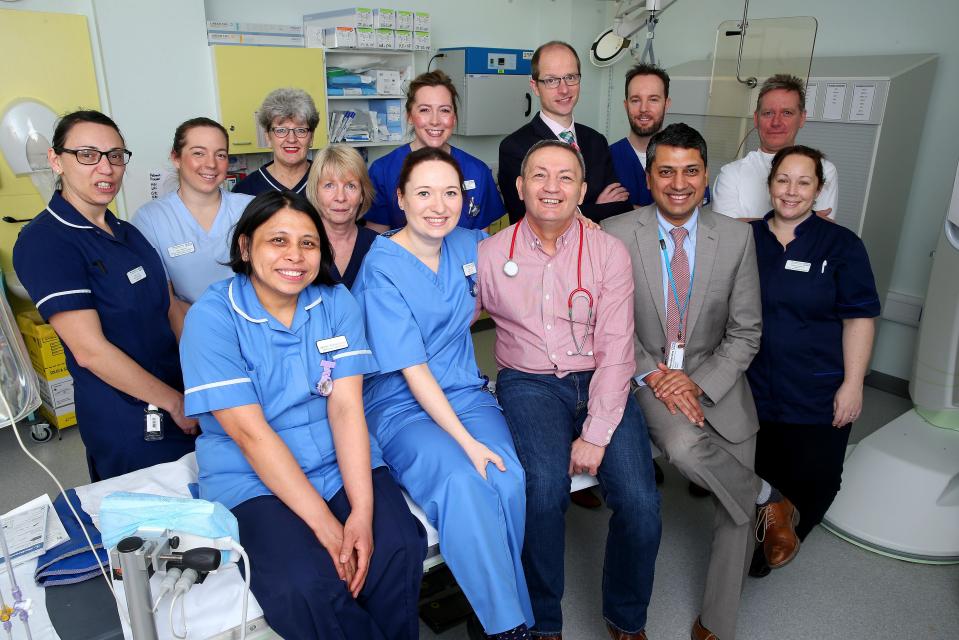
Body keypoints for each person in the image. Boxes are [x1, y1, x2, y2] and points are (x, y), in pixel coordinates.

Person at [178, 191, 426, 640]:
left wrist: (362, 515)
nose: (295, 256)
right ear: (245, 247)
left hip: (337, 457)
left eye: (308, 243)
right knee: (304, 584)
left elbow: (348, 407)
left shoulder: (335, 304)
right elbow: (251, 436)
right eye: (278, 240)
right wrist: (329, 527)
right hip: (251, 474)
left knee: (397, 546)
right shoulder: (212, 318)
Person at [602, 123, 800, 640]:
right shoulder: (617, 234)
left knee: (731, 508)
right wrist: (657, 375)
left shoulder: (735, 238)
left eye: (690, 171)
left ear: (705, 176)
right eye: (665, 171)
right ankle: (768, 496)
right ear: (649, 178)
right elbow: (612, 327)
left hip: (720, 377)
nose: (678, 183)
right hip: (649, 380)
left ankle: (717, 623)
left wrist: (699, 383)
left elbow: (746, 331)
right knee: (687, 449)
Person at [479, 140, 661, 640]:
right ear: (519, 187)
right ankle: (543, 623)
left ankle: (626, 617)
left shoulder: (608, 252)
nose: (551, 187)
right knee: (542, 491)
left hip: (602, 375)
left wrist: (597, 433)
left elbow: (618, 348)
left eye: (564, 177)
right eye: (539, 176)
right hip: (529, 383)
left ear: (583, 190)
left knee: (641, 501)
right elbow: (453, 322)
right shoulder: (491, 254)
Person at [353, 147, 533, 640]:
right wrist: (467, 443)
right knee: (463, 479)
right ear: (402, 200)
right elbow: (412, 371)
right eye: (425, 193)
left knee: (510, 478)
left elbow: (534, 239)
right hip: (400, 405)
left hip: (464, 391)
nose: (439, 205)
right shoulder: (382, 268)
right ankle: (507, 625)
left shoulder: (472, 245)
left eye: (450, 192)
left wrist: (583, 222)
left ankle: (486, 607)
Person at [13, 110, 196, 481]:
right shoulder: (46, 242)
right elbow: (89, 351)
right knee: (155, 526)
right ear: (56, 160)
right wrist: (173, 401)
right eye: (87, 154)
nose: (106, 168)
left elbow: (171, 307)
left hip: (181, 397)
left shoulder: (127, 232)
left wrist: (202, 378)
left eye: (115, 155)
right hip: (128, 418)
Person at [746, 145, 879, 576]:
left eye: (804, 182)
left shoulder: (842, 245)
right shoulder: (746, 239)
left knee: (818, 479)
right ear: (769, 185)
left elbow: (859, 319)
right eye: (783, 179)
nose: (791, 191)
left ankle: (791, 533)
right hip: (755, 384)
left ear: (818, 190)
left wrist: (853, 384)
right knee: (762, 472)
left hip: (819, 386)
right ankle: (764, 536)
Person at [131, 117, 254, 335]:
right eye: (198, 153)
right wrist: (194, 354)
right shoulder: (150, 219)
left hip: (255, 328)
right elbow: (168, 302)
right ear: (176, 158)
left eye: (220, 154)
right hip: (192, 330)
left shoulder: (250, 208)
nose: (211, 164)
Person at [499, 41, 633, 224]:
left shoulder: (596, 141)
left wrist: (567, 210)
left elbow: (620, 206)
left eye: (570, 77)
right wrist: (588, 209)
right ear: (535, 86)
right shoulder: (515, 147)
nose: (564, 89)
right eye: (552, 80)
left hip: (596, 249)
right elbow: (528, 219)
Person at [364, 70, 503, 233]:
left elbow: (481, 242)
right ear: (410, 116)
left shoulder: (477, 171)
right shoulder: (383, 171)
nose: (435, 121)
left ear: (454, 117)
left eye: (444, 110)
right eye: (424, 110)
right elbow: (379, 240)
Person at [712, 74, 839, 221]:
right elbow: (726, 231)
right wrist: (801, 220)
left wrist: (748, 223)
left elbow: (820, 235)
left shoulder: (823, 169)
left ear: (802, 118)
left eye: (787, 113)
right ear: (756, 119)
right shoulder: (731, 173)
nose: (776, 122)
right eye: (768, 113)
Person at [305, 144, 378, 289]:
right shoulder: (300, 245)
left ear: (362, 194)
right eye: (329, 185)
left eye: (351, 186)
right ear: (315, 192)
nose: (340, 197)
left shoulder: (378, 246)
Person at [232, 88, 318, 196]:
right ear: (268, 137)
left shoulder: (329, 180)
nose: (291, 139)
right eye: (281, 130)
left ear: (311, 137)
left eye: (300, 130)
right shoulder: (245, 190)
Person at [608, 63, 671, 208]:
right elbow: (596, 217)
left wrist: (624, 209)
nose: (643, 108)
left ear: (666, 104)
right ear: (626, 105)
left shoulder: (685, 158)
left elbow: (693, 214)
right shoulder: (606, 159)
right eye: (635, 100)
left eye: (653, 99)